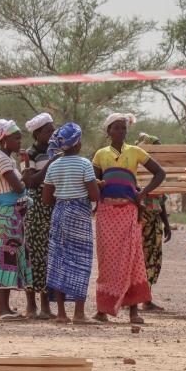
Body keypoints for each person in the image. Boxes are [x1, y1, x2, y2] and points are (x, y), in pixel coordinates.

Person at [92, 113, 166, 324]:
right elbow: (93, 180)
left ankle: (134, 312)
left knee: (133, 259)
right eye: (116, 128)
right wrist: (99, 184)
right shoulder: (100, 155)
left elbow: (160, 173)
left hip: (128, 211)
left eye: (123, 128)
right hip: (106, 212)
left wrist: (142, 194)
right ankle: (102, 310)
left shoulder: (135, 152)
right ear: (108, 132)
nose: (121, 132)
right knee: (106, 261)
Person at [42, 122, 100, 324]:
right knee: (81, 261)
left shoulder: (54, 165)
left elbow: (47, 199)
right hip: (79, 215)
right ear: (77, 144)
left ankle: (60, 313)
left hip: (59, 214)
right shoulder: (85, 164)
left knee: (59, 261)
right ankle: (79, 313)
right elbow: (94, 195)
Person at [0, 119, 32, 321]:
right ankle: (1, 309)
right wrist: (26, 171)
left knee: (8, 259)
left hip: (10, 214)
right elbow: (18, 187)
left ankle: (4, 308)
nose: (19, 142)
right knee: (4, 260)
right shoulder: (3, 161)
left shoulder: (4, 158)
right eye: (16, 138)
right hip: (8, 215)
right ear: (4, 140)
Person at [22, 112, 57, 319]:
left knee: (48, 257)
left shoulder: (55, 152)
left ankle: (46, 306)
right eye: (48, 131)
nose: (52, 134)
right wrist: (52, 164)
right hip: (35, 209)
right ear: (37, 134)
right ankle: (30, 305)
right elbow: (30, 182)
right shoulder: (30, 154)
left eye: (53, 130)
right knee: (32, 256)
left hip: (51, 207)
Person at [134, 132, 172, 312]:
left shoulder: (157, 171)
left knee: (153, 259)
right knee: (137, 258)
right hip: (139, 220)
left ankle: (146, 298)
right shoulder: (135, 168)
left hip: (155, 221)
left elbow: (161, 200)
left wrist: (167, 224)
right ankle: (134, 298)